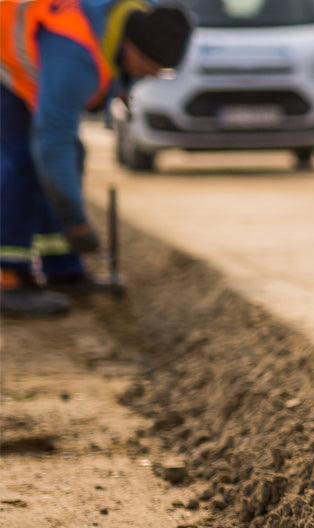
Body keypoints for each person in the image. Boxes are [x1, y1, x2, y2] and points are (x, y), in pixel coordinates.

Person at [1, 0, 191, 317]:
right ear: (131, 46)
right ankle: (7, 278)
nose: (144, 76)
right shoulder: (76, 52)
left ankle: (62, 267)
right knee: (23, 160)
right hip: (5, 61)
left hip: (29, 58)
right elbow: (52, 143)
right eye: (145, 67)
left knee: (66, 156)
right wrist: (75, 220)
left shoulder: (128, 18)